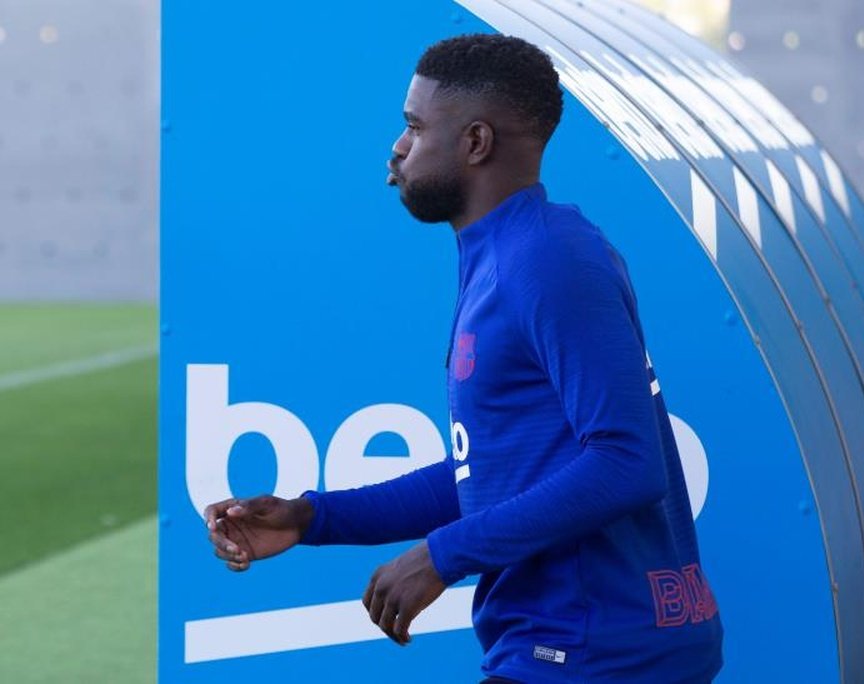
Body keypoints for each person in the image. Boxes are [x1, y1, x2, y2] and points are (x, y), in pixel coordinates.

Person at [205, 34, 723, 683]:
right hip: (573, 649)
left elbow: (627, 463)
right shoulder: (508, 254)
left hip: (591, 653)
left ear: (476, 143)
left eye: (415, 127)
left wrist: (442, 556)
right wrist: (312, 516)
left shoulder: (548, 259)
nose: (398, 147)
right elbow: (490, 475)